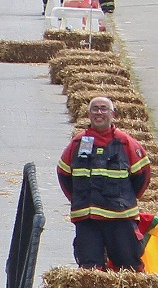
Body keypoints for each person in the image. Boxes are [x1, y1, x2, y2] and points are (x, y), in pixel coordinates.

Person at [57, 96, 151, 270]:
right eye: (95, 109)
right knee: (90, 270)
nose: (99, 113)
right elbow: (64, 174)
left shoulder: (126, 143)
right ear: (88, 114)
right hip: (87, 219)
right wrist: (80, 199)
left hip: (120, 218)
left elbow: (142, 176)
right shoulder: (78, 143)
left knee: (129, 267)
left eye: (103, 108)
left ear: (112, 114)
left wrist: (125, 199)